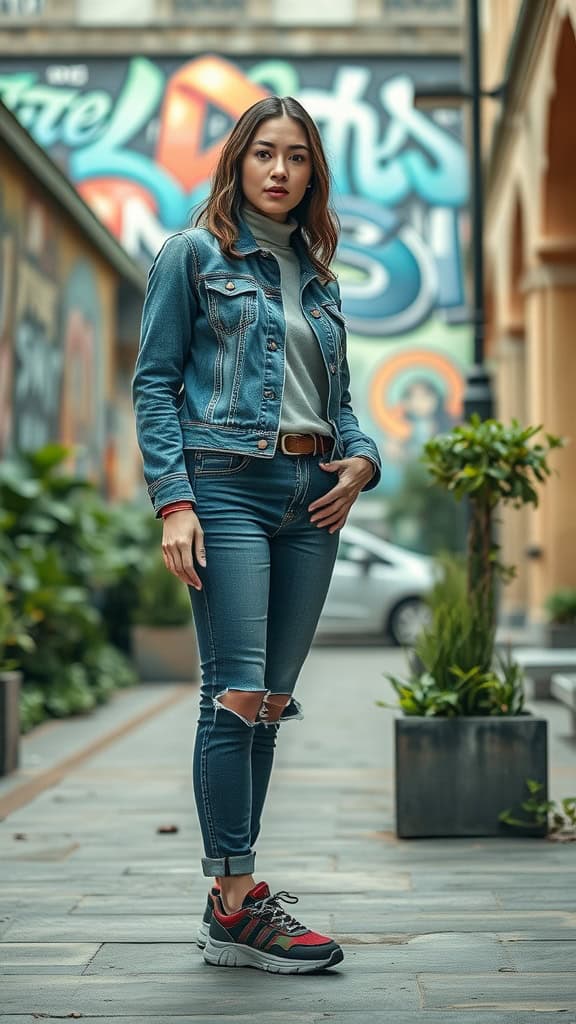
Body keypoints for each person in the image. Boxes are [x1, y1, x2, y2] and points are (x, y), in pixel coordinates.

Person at [132, 95, 381, 974]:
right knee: (234, 692)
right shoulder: (191, 256)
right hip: (227, 487)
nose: (280, 171)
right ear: (237, 162)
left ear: (313, 173)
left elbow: (339, 403)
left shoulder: (320, 276)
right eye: (264, 154)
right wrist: (175, 501)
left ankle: (230, 906)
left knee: (271, 703)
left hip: (314, 498)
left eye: (298, 158)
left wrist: (362, 461)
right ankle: (236, 900)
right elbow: (155, 384)